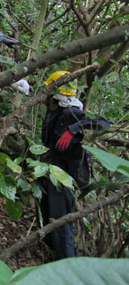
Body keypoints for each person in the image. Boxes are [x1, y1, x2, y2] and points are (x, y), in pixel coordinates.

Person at [39, 70, 110, 259]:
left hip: (64, 180)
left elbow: (103, 124)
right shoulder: (52, 111)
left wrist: (74, 129)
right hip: (49, 173)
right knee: (48, 218)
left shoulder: (72, 112)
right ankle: (52, 257)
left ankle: (68, 264)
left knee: (61, 224)